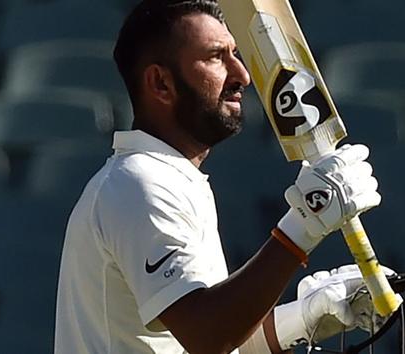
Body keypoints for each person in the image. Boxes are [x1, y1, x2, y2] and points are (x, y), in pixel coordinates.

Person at [54, 1, 384, 353]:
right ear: (161, 83)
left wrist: (303, 317)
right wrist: (303, 225)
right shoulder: (140, 183)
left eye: (235, 54)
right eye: (215, 57)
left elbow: (216, 340)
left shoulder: (168, 178)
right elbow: (207, 336)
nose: (242, 74)